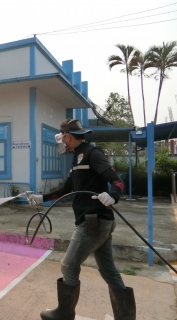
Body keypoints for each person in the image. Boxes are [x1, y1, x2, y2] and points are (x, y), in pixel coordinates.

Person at [28, 118, 136, 320]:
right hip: (98, 221)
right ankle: (126, 317)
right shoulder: (77, 157)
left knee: (68, 265)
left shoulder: (92, 154)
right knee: (108, 270)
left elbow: (117, 181)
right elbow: (67, 189)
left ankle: (64, 313)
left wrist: (112, 196)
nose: (61, 143)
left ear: (68, 137)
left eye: (61, 138)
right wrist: (41, 198)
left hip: (93, 222)